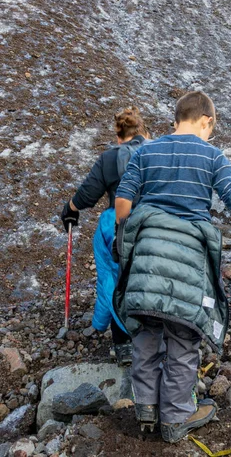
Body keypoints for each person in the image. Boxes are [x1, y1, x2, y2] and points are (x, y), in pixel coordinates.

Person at [113, 92, 231, 443]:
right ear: (206, 121)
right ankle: (175, 418)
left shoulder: (146, 151)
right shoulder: (212, 155)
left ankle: (146, 407)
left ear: (177, 118)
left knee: (146, 331)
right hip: (189, 258)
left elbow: (122, 203)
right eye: (210, 129)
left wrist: (128, 232)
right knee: (183, 335)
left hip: (147, 256)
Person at [60, 107, 149, 366]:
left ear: (118, 135)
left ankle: (121, 341)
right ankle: (153, 335)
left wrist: (70, 210)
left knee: (113, 276)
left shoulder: (110, 158)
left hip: (118, 225)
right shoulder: (156, 152)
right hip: (153, 223)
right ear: (142, 131)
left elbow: (86, 196)